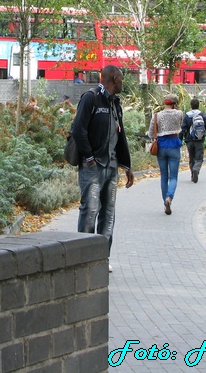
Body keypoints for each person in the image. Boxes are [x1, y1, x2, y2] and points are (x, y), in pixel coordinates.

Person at [70, 65, 134, 271]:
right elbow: (78, 129)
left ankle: (102, 259)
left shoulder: (116, 103)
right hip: (93, 167)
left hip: (112, 167)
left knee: (109, 213)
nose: (123, 83)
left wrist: (127, 165)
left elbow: (120, 135)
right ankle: (83, 259)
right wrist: (89, 157)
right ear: (114, 78)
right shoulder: (91, 98)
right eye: (122, 79)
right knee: (90, 211)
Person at [148, 93, 183, 215]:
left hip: (161, 146)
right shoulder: (179, 113)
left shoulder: (157, 115)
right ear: (175, 104)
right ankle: (169, 198)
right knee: (173, 176)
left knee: (164, 176)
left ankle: (165, 203)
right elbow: (181, 126)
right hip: (174, 145)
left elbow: (151, 133)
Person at [181, 97, 206, 183]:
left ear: (191, 106)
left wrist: (181, 139)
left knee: (191, 158)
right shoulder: (202, 115)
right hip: (199, 140)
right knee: (199, 158)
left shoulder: (187, 116)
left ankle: (192, 174)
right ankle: (196, 169)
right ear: (198, 106)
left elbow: (183, 128)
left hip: (189, 140)